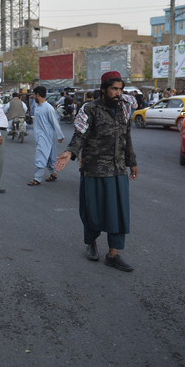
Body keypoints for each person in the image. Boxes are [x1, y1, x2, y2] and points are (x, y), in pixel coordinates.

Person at [55, 71, 139, 272]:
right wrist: (70, 152)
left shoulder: (124, 108)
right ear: (103, 90)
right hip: (93, 169)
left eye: (120, 89)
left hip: (118, 169)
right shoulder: (89, 109)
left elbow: (127, 137)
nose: (117, 93)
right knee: (92, 210)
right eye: (113, 89)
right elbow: (79, 135)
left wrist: (132, 162)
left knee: (119, 213)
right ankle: (91, 243)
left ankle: (113, 254)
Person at [28, 86, 64, 186]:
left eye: (34, 94)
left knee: (41, 156)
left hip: (45, 136)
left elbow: (55, 122)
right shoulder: (37, 106)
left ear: (38, 95)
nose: (34, 96)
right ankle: (53, 173)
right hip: (42, 136)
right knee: (51, 156)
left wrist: (60, 135)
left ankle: (37, 178)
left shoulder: (48, 108)